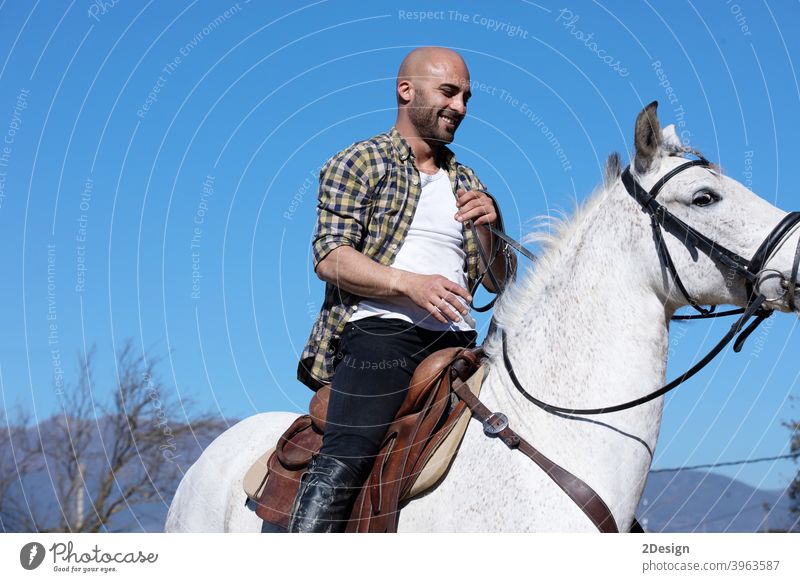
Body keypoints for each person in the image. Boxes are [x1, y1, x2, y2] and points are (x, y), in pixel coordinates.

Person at [290, 46, 515, 533]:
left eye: (467, 98)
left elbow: (499, 281)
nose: (460, 107)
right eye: (449, 93)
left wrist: (489, 230)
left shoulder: (468, 180)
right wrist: (409, 284)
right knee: (346, 456)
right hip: (380, 335)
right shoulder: (361, 161)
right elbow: (330, 256)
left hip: (461, 343)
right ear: (406, 91)